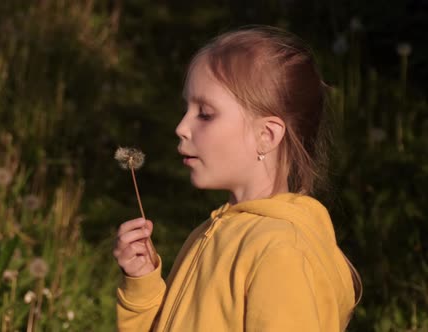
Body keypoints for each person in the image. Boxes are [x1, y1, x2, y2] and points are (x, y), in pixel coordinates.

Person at [112, 25, 363, 331]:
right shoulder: (214, 231)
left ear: (265, 135)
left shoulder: (280, 253)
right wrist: (143, 285)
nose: (181, 127)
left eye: (205, 113)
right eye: (186, 109)